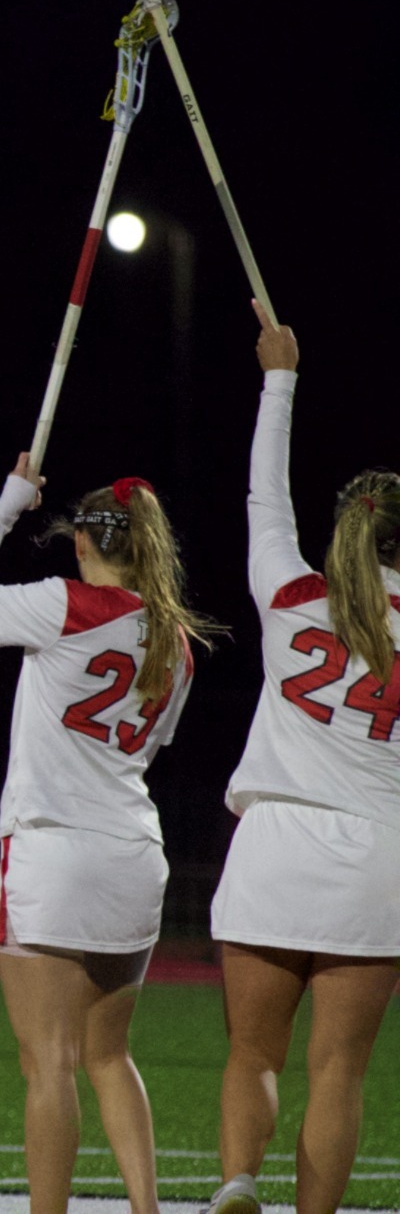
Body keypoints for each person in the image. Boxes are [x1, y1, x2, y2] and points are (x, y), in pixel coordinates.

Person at [0, 455, 214, 1214]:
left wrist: (6, 505)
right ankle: (146, 1208)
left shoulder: (68, 603)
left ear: (86, 540)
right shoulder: (176, 641)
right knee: (109, 1053)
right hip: (131, 850)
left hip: (54, 849)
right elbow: (146, 750)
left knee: (49, 1062)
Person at [200, 305, 400, 1214]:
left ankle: (240, 1179)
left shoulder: (290, 592)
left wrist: (279, 379)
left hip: (276, 843)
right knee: (340, 1071)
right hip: (378, 858)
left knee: (254, 1052)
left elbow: (263, 499)